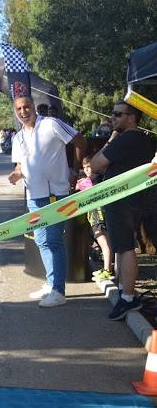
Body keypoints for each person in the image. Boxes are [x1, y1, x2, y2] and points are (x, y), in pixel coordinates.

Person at [8, 96, 86, 308]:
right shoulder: (19, 138)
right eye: (19, 109)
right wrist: (16, 174)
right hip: (34, 196)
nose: (23, 111)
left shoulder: (51, 124)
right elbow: (19, 166)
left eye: (26, 107)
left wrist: (76, 170)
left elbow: (79, 140)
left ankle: (58, 292)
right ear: (16, 112)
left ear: (33, 107)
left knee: (53, 242)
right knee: (42, 241)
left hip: (56, 194)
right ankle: (51, 283)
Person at [90, 102, 156, 320]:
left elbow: (95, 165)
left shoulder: (124, 139)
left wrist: (112, 138)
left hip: (120, 201)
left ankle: (127, 298)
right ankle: (125, 291)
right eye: (112, 113)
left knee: (124, 248)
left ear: (132, 118)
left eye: (118, 114)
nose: (113, 118)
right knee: (125, 247)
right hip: (141, 199)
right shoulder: (146, 140)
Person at [75, 157, 113, 282]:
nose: (87, 170)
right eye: (85, 167)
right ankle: (107, 268)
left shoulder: (91, 181)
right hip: (97, 215)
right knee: (103, 242)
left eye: (89, 167)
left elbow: (76, 187)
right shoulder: (101, 178)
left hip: (97, 214)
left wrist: (79, 182)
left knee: (104, 242)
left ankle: (107, 270)